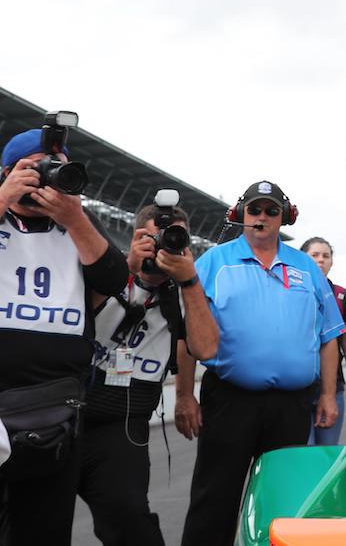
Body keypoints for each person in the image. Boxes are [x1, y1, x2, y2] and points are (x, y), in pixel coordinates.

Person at [177, 181, 345, 546]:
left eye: (271, 211)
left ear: (285, 218)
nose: (262, 217)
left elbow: (329, 336)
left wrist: (328, 395)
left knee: (284, 501)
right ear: (241, 214)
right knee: (214, 498)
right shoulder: (213, 263)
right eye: (255, 210)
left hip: (292, 405)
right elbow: (186, 336)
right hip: (230, 400)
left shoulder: (307, 268)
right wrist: (184, 396)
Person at [0, 128, 129, 546]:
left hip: (56, 408)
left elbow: (114, 279)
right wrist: (3, 196)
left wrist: (73, 217)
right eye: (32, 168)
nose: (43, 178)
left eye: (54, 170)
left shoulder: (77, 225)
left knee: (44, 531)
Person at [78, 200, 218, 546]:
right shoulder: (102, 271)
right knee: (38, 517)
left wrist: (189, 281)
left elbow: (204, 348)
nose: (163, 248)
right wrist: (125, 269)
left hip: (123, 421)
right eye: (155, 239)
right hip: (68, 409)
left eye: (174, 239)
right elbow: (75, 320)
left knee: (130, 518)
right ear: (137, 238)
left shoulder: (186, 292)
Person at [301, 237, 346, 445]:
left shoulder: (341, 296)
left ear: (332, 262)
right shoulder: (291, 292)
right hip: (297, 389)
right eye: (314, 255)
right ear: (302, 259)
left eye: (326, 256)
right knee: (303, 451)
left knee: (327, 452)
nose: (321, 260)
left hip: (333, 388)